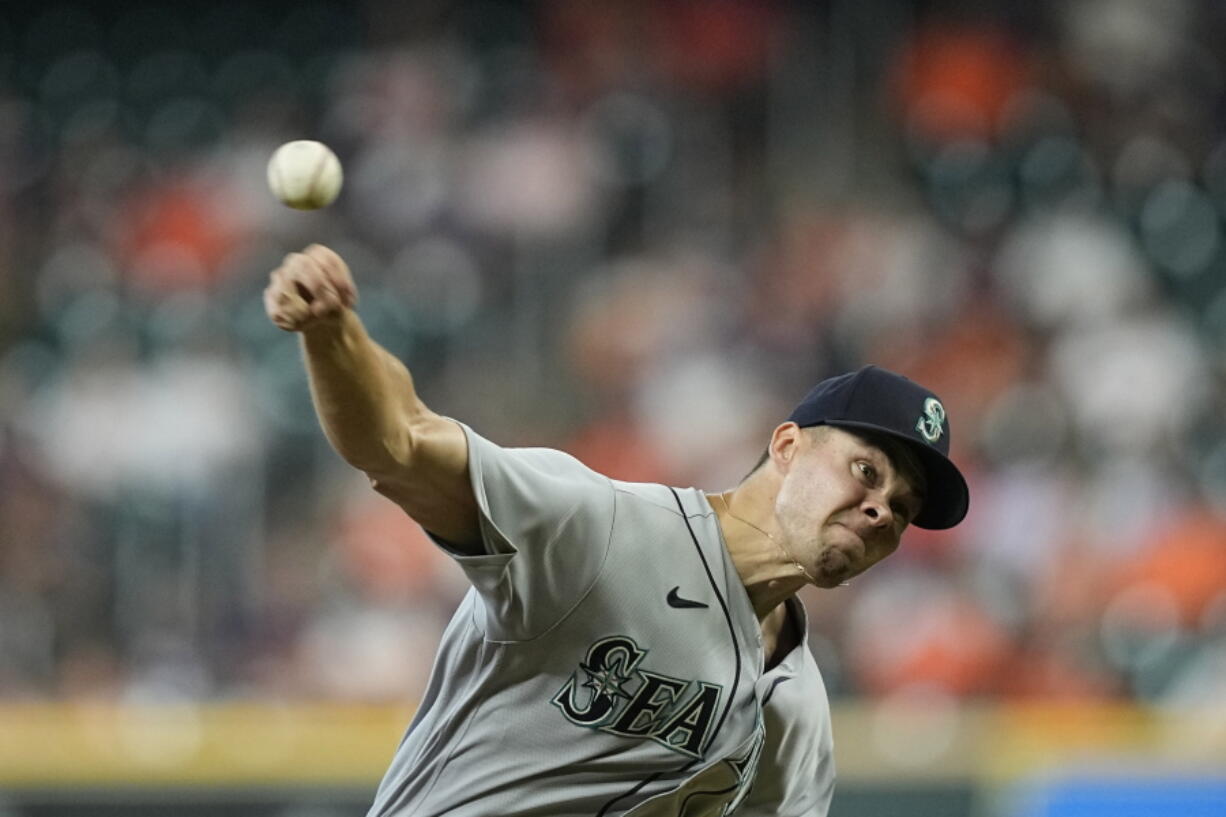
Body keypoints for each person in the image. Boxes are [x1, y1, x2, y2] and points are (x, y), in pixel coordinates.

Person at [264, 244, 971, 817]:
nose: (883, 510)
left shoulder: (798, 712)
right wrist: (334, 336)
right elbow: (401, 442)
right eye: (867, 470)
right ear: (786, 447)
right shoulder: (598, 527)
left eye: (904, 509)